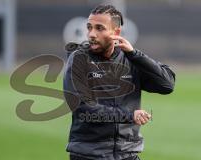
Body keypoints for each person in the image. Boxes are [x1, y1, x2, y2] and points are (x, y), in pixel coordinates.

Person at [63, 4, 175, 160]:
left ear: (116, 32)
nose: (91, 34)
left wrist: (135, 54)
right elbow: (82, 107)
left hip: (127, 154)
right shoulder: (78, 59)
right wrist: (129, 115)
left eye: (99, 28)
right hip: (89, 154)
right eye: (89, 27)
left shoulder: (131, 59)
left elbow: (167, 85)